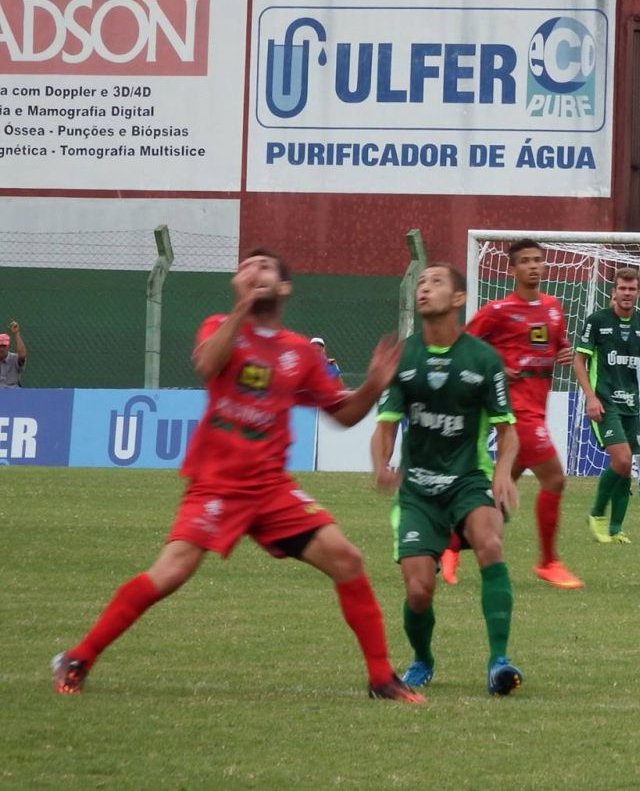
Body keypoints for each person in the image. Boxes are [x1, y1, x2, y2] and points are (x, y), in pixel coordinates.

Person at [52, 250, 422, 702]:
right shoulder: (219, 326)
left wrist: (372, 386)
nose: (254, 271)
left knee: (346, 558)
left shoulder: (299, 352)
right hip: (218, 484)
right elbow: (208, 365)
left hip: (271, 488)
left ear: (284, 287)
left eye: (265, 266)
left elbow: (343, 415)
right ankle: (80, 656)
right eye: (247, 267)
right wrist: (242, 308)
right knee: (169, 574)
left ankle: (381, 678)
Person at [371, 263, 524, 695]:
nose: (424, 288)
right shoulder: (404, 357)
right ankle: (422, 659)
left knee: (490, 543)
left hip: (468, 480)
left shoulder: (483, 359)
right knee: (419, 591)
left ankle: (499, 661)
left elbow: (506, 430)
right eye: (420, 282)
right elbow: (385, 426)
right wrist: (382, 465)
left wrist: (502, 472)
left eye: (435, 282)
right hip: (418, 488)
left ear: (458, 299)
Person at [440, 239, 582, 589]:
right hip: (515, 414)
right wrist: (498, 365)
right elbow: (462, 344)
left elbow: (557, 344)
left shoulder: (552, 307)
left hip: (538, 406)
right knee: (556, 479)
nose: (534, 266)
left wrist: (564, 352)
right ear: (512, 269)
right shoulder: (499, 310)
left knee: (498, 497)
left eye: (538, 260)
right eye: (525, 261)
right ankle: (548, 562)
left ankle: (450, 545)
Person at [574, 267, 640, 544]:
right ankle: (597, 514)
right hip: (605, 403)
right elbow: (579, 361)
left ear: (639, 292)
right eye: (622, 288)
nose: (626, 293)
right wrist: (590, 397)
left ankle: (615, 529)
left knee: (626, 468)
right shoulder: (598, 321)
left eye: (631, 289)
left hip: (631, 405)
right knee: (622, 460)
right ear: (614, 291)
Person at [0, 320, 26, 388]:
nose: (1, 349)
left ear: (9, 347)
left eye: (4, 346)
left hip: (14, 393)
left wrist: (16, 333)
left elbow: (22, 355)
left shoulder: (14, 358)